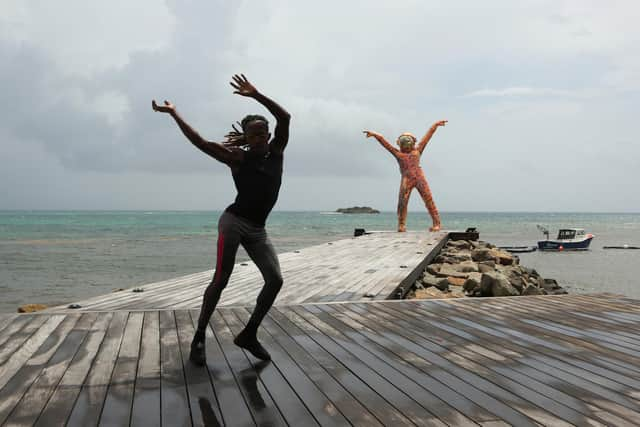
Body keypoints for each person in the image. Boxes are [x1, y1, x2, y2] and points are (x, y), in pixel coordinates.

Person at [152, 74, 290, 364]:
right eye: (252, 135)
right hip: (234, 222)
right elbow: (200, 142)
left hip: (258, 229)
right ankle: (200, 335)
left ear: (267, 134)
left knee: (275, 280)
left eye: (262, 133)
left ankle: (249, 334)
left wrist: (256, 94)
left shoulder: (277, 151)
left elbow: (285, 116)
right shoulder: (236, 158)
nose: (259, 139)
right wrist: (174, 114)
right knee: (222, 278)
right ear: (246, 137)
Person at [363, 120, 447, 232]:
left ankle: (436, 223)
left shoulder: (417, 151)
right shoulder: (398, 153)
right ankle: (401, 225)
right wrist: (375, 135)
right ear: (399, 143)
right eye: (404, 139)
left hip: (419, 178)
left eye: (409, 139)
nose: (406, 141)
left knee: (428, 200)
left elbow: (427, 137)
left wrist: (434, 126)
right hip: (407, 179)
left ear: (413, 142)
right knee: (403, 202)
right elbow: (385, 143)